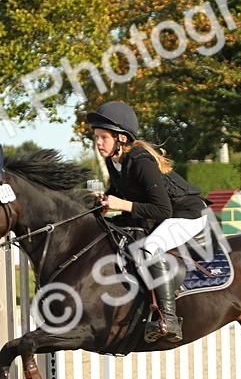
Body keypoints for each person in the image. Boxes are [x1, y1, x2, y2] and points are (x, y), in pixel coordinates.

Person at [87, 101, 207, 343]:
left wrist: (121, 205)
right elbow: (122, 196)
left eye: (103, 137)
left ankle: (169, 319)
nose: (98, 143)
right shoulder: (115, 161)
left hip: (186, 214)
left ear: (120, 138)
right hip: (166, 215)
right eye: (96, 137)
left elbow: (161, 209)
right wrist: (103, 204)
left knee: (148, 248)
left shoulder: (140, 160)